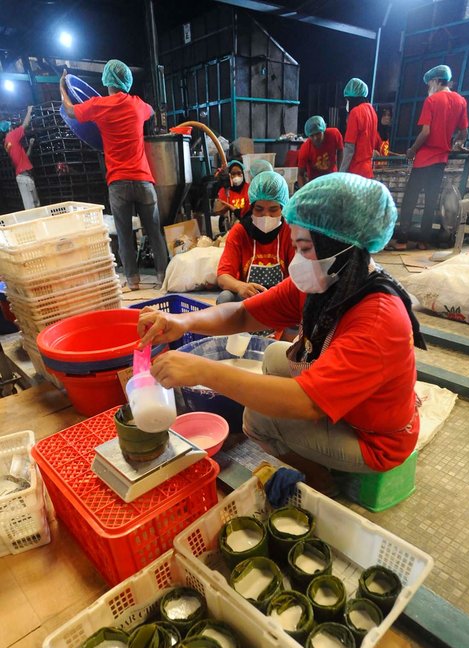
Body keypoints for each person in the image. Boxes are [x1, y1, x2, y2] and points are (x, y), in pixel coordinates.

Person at [137, 173, 426, 488]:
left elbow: (307, 403)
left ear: (340, 248)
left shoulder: (377, 320)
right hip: (352, 405)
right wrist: (182, 322)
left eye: (304, 248)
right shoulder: (330, 281)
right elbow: (244, 314)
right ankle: (317, 455)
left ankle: (319, 480)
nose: (297, 261)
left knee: (259, 418)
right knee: (276, 355)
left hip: (373, 438)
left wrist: (204, 372)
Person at [60, 59, 169, 291]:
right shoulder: (138, 104)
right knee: (155, 232)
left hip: (118, 182)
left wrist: (63, 86)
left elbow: (69, 110)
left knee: (124, 234)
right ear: (126, 82)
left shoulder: (98, 105)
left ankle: (132, 280)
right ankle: (163, 276)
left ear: (107, 81)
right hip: (143, 180)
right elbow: (151, 111)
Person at [393, 65, 469, 250]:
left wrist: (412, 150)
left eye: (429, 84)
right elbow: (464, 131)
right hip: (441, 161)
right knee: (430, 201)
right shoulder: (461, 101)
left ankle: (402, 240)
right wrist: (455, 144)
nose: (428, 88)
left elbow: (425, 132)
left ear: (435, 81)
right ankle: (423, 241)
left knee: (410, 199)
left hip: (424, 159)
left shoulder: (432, 100)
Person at [215, 171, 294, 304]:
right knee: (225, 298)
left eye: (273, 209)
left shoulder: (290, 231)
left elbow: (298, 278)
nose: (266, 215)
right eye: (259, 209)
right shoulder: (240, 232)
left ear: (284, 208)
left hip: (281, 301)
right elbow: (223, 276)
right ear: (251, 207)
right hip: (248, 301)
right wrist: (240, 286)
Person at [1, 108, 40, 210]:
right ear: (9, 128)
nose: (13, 128)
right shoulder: (11, 135)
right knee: (32, 209)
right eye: (11, 127)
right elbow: (25, 124)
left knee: (35, 207)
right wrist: (29, 111)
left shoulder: (7, 143)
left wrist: (30, 145)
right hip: (24, 178)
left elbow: (24, 158)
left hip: (25, 177)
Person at [340, 78, 378, 179]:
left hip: (356, 172)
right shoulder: (372, 111)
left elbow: (349, 148)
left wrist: (340, 174)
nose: (347, 103)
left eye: (347, 100)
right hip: (368, 170)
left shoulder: (355, 112)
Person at [297, 115, 343, 187]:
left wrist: (340, 171)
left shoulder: (334, 134)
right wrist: (302, 192)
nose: (315, 138)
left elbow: (340, 151)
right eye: (312, 136)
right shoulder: (305, 148)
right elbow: (300, 174)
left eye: (318, 134)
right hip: (315, 182)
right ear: (308, 136)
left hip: (333, 177)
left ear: (323, 130)